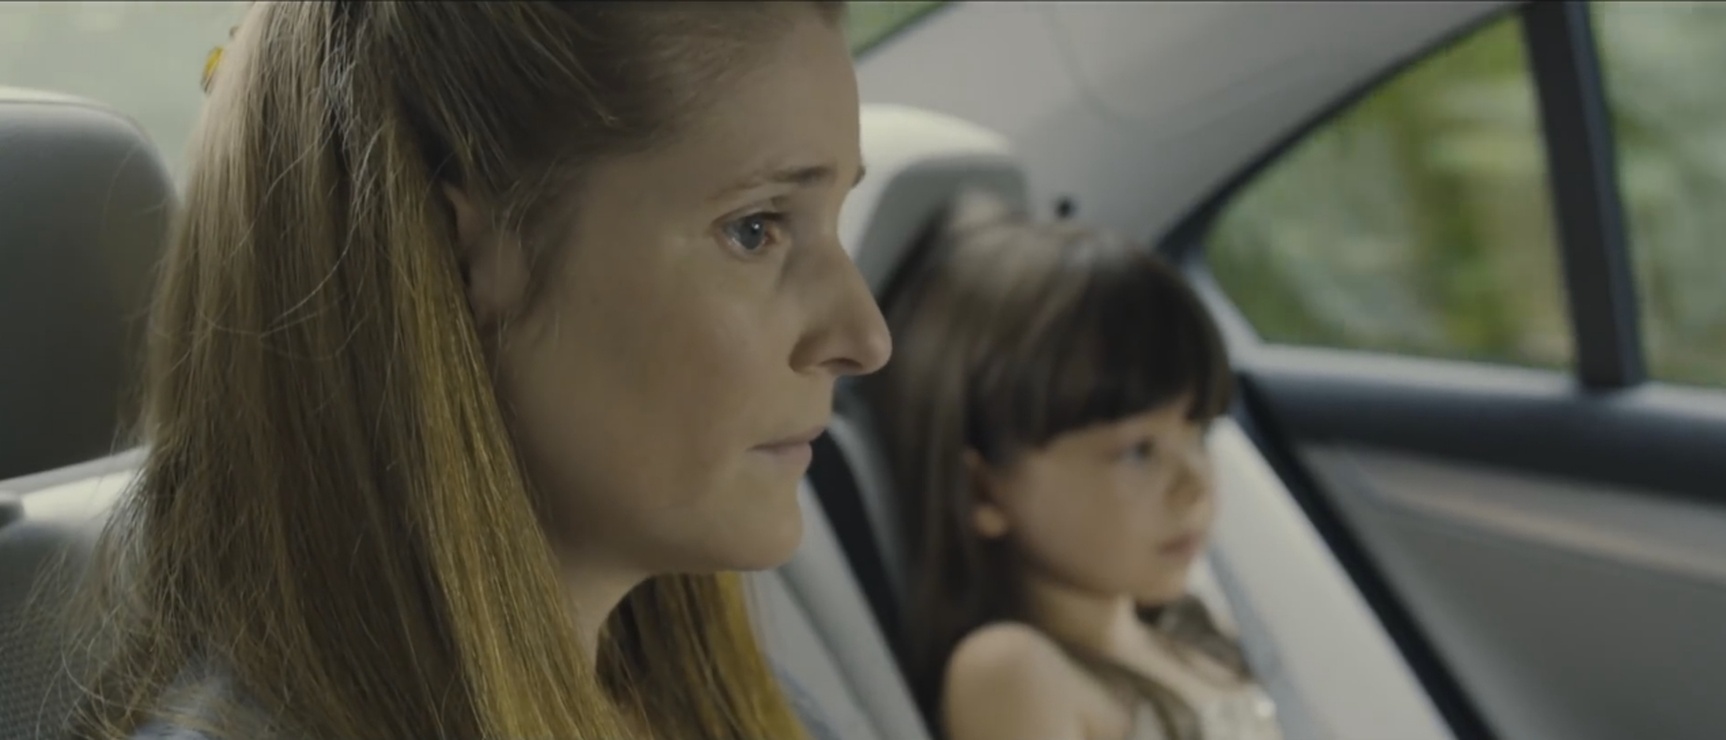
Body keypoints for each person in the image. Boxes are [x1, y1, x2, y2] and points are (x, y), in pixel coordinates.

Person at [60, 2, 889, 739]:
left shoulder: (717, 700)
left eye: (834, 217)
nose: (866, 338)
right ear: (463, 255)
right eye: (755, 229)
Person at [865, 191, 1281, 740]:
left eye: (1198, 432)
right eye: (1138, 451)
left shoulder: (1187, 632)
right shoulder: (1011, 671)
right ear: (983, 491)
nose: (1195, 486)